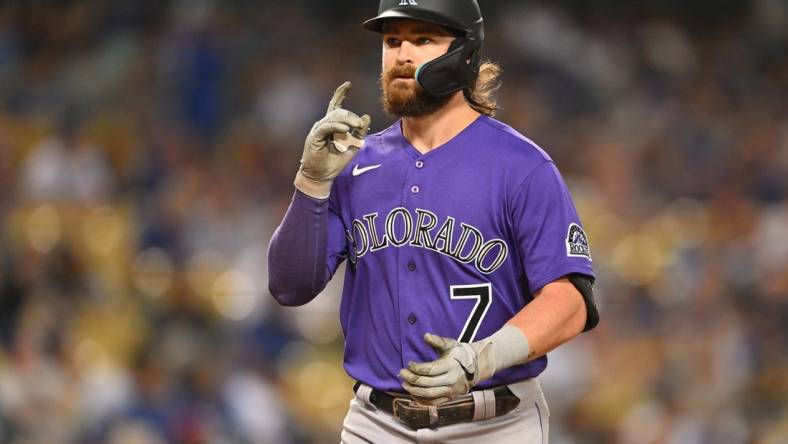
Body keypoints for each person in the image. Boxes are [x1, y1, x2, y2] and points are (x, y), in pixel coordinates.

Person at [267, 0, 599, 442]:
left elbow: (571, 302)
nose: (402, 54)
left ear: (464, 54)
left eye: (422, 39)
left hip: (494, 424)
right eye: (391, 40)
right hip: (377, 423)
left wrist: (483, 357)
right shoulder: (353, 163)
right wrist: (310, 183)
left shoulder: (521, 166)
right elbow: (290, 286)